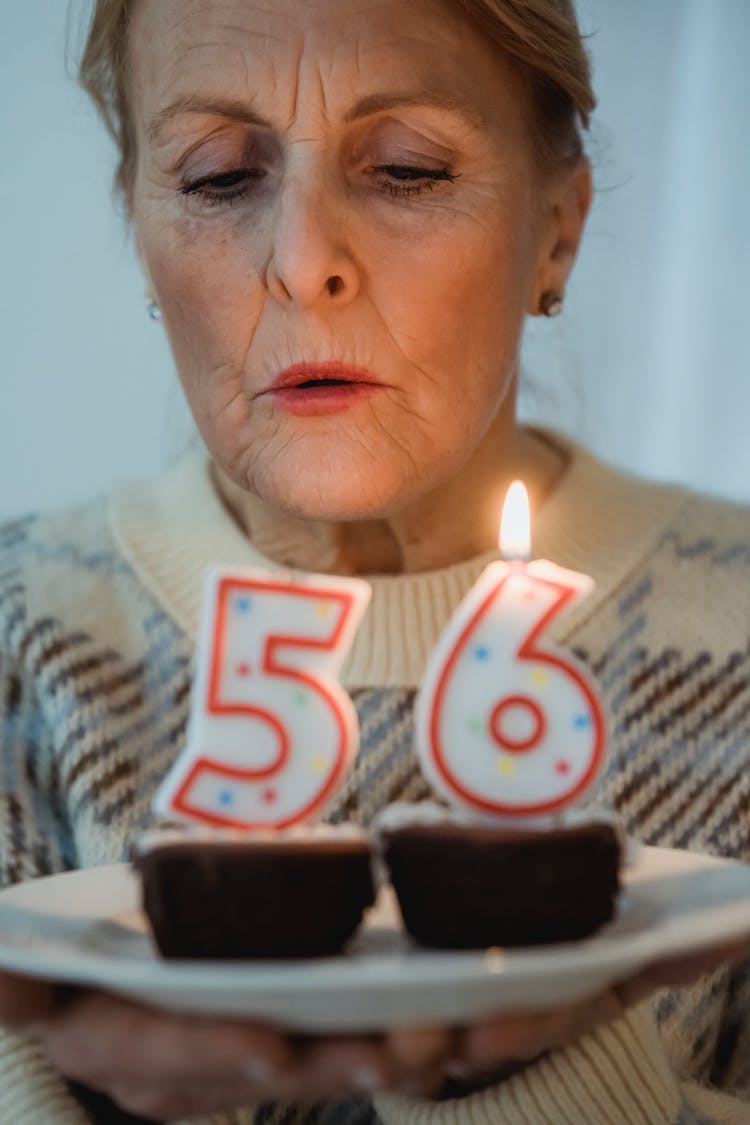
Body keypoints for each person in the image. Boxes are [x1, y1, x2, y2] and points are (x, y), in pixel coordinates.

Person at [1, 0, 750, 1122]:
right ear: (139, 228)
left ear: (557, 227)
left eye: (404, 169)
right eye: (217, 177)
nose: (304, 264)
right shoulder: (23, 633)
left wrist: (532, 1071)